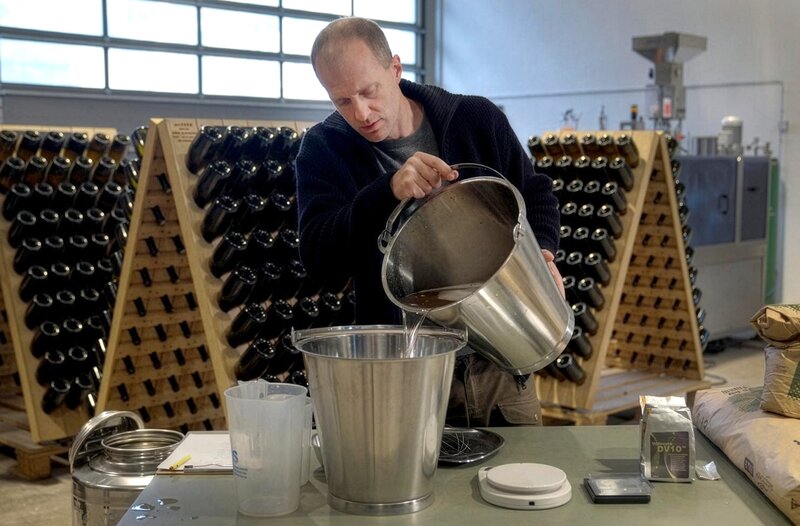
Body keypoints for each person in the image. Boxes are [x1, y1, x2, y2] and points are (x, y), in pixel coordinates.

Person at [294, 17, 563, 426]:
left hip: (500, 365)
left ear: (395, 69)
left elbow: (535, 192)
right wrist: (386, 192)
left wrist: (541, 253)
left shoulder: (475, 119)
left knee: (525, 467)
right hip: (403, 377)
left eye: (368, 91)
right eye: (342, 101)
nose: (361, 113)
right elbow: (319, 259)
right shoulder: (323, 149)